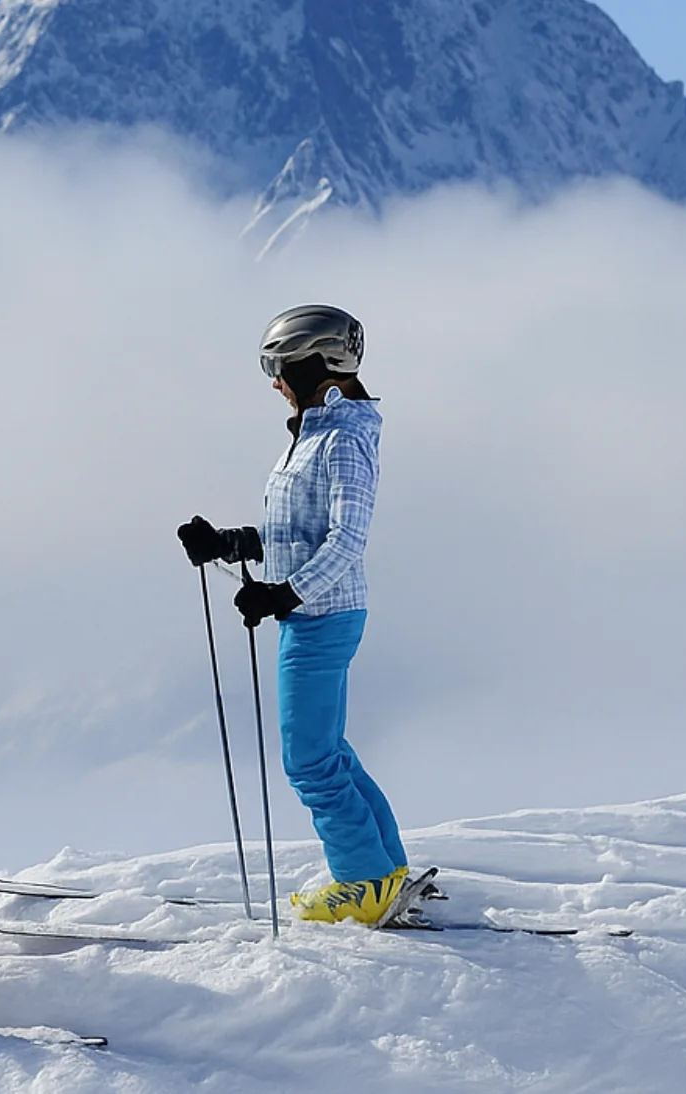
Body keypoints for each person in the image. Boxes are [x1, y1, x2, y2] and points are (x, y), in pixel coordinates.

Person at [179, 304, 410, 925]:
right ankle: (385, 870)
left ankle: (363, 884)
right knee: (327, 750)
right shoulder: (316, 433)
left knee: (308, 762)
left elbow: (346, 540)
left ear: (318, 366)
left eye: (278, 367)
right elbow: (298, 530)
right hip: (316, 613)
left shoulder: (343, 440)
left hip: (321, 618)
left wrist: (285, 595)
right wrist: (231, 542)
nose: (273, 381)